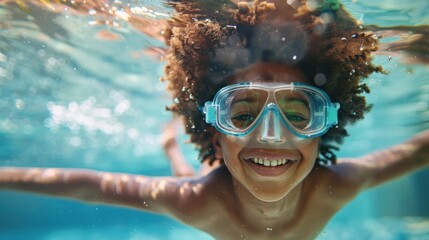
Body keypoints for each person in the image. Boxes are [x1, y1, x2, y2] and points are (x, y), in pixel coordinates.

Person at [1, 1, 428, 239]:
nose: (270, 132)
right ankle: (173, 146)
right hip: (213, 178)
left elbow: (416, 152)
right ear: (213, 130)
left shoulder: (342, 184)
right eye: (242, 112)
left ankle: (175, 143)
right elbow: (84, 185)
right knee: (189, 176)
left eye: (299, 113)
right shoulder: (197, 199)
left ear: (326, 126)